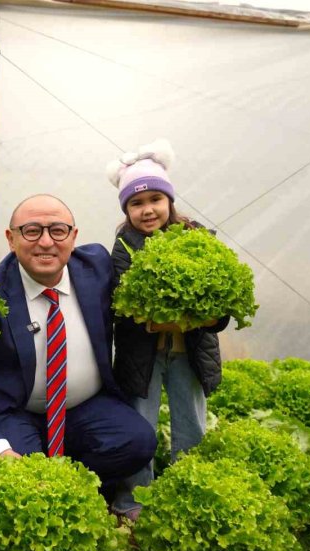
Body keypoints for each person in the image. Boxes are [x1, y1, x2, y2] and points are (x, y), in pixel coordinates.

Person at [0, 193, 157, 502]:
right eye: (32, 231)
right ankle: (44, 482)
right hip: (14, 411)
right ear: (11, 238)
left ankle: (67, 487)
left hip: (85, 409)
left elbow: (141, 245)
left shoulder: (96, 267)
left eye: (58, 230)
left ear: (73, 237)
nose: (46, 242)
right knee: (18, 481)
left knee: (137, 441)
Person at [105, 139, 230, 517]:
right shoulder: (124, 246)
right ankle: (132, 502)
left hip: (189, 355)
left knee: (190, 426)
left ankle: (186, 497)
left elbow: (219, 310)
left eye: (155, 200)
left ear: (170, 201)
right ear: (127, 209)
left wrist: (175, 317)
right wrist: (187, 315)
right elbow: (125, 308)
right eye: (136, 203)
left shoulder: (198, 238)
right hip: (142, 357)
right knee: (140, 430)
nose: (147, 210)